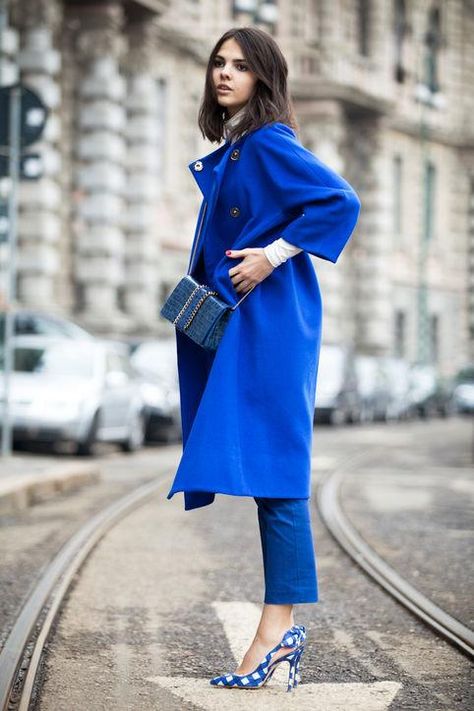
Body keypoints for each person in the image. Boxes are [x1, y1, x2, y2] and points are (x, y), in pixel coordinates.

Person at [165, 26, 361, 691]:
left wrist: (274, 253)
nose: (224, 73)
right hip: (248, 324)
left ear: (264, 78)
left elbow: (341, 199)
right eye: (218, 63)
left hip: (273, 325)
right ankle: (279, 631)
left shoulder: (271, 144)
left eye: (240, 66)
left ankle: (275, 632)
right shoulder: (238, 147)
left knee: (279, 477)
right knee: (271, 478)